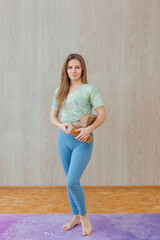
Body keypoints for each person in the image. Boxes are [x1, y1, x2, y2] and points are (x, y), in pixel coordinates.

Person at [50, 53, 106, 236]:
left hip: (82, 140)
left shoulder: (90, 89)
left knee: (72, 181)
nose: (73, 70)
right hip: (63, 139)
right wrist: (61, 125)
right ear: (65, 70)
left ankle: (84, 218)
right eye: (70, 67)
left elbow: (102, 114)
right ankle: (75, 216)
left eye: (77, 67)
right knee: (69, 182)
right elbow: (52, 116)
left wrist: (89, 129)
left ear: (82, 69)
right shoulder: (60, 90)